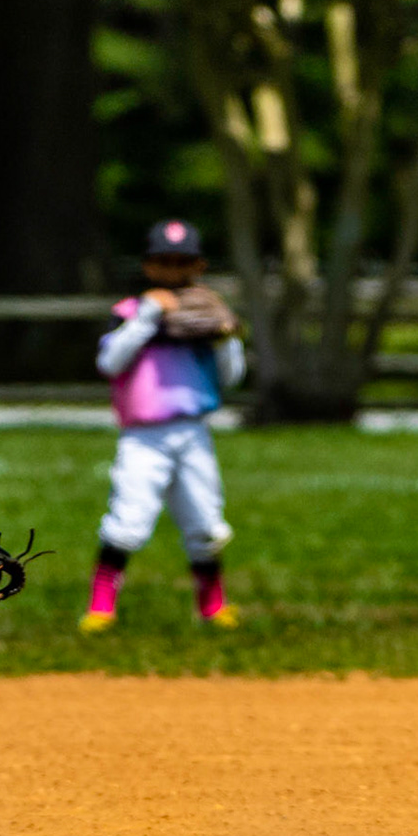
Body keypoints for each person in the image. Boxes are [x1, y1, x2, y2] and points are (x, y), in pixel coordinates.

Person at [80, 218, 246, 632]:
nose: (174, 271)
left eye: (183, 262)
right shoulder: (130, 313)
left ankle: (213, 606)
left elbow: (233, 376)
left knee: (205, 522)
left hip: (193, 431)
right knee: (128, 519)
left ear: (199, 265)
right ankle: (101, 606)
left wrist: (226, 337)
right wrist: (149, 316)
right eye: (164, 262)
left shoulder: (206, 317)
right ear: (149, 266)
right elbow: (109, 362)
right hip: (143, 435)